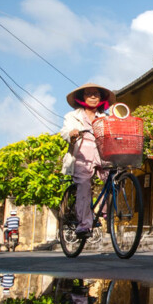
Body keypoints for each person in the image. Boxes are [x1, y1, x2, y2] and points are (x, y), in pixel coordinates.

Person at [60, 82, 115, 237]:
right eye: (89, 94)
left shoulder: (105, 118)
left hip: (101, 152)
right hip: (82, 153)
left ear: (101, 98)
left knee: (111, 178)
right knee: (84, 185)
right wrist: (72, 133)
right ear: (82, 97)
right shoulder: (73, 116)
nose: (92, 97)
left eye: (96, 94)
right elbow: (64, 132)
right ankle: (84, 225)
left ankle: (105, 211)